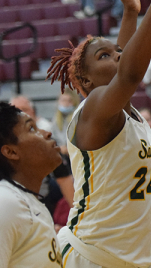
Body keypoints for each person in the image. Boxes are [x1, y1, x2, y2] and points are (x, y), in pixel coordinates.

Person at [46, 0, 151, 267]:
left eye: (118, 51)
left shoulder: (122, 110)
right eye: (104, 56)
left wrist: (131, 12)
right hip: (91, 255)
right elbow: (130, 71)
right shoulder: (93, 110)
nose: (117, 55)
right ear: (87, 82)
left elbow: (125, 61)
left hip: (134, 258)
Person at [0, 102, 65, 267]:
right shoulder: (6, 202)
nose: (47, 133)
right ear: (11, 152)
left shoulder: (28, 201)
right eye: (32, 129)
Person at [10, 96, 74, 224]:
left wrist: (79, 217)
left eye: (24, 109)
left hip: (41, 205)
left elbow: (65, 179)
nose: (20, 114)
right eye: (15, 110)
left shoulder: (44, 143)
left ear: (33, 112)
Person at [50, 91, 81, 155]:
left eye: (69, 101)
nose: (65, 103)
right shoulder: (55, 119)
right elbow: (53, 137)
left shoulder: (78, 118)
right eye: (63, 100)